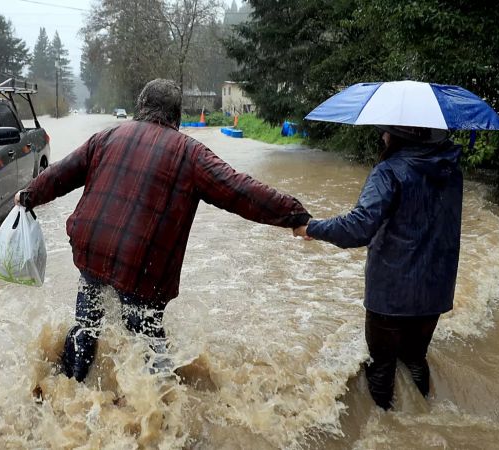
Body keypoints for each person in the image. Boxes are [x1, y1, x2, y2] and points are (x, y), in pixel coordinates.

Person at [16, 79, 311, 381]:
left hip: (92, 251)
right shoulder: (190, 153)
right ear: (177, 117)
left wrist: (28, 195)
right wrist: (294, 215)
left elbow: (60, 173)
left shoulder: (105, 138)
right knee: (147, 340)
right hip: (141, 265)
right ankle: (157, 411)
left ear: (140, 108)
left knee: (86, 326)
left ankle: (68, 388)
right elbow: (240, 191)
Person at [294, 125, 462, 410]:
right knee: (415, 358)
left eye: (386, 131)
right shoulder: (451, 169)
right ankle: (425, 414)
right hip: (436, 288)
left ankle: (386, 429)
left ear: (400, 135)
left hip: (392, 291)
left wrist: (312, 227)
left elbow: (359, 228)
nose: (382, 136)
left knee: (382, 366)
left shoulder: (389, 171)